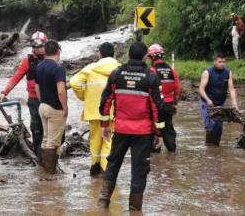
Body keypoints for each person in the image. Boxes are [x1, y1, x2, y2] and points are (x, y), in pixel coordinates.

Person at [97, 42, 171, 211]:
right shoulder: (151, 77)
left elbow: (105, 101)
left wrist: (105, 125)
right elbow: (157, 107)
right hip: (143, 133)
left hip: (121, 130)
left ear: (128, 55)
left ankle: (103, 201)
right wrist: (158, 133)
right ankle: (135, 208)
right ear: (145, 56)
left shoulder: (117, 74)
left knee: (113, 163)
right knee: (139, 169)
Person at [70, 42, 121, 176]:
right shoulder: (120, 68)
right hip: (114, 111)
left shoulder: (90, 68)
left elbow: (74, 82)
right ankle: (106, 169)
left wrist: (84, 97)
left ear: (100, 54)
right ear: (113, 54)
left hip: (93, 110)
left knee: (95, 141)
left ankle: (95, 167)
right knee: (109, 140)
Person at [0, 31, 48, 160]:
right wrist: (4, 92)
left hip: (50, 100)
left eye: (40, 46)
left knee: (51, 130)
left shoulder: (51, 59)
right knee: (36, 129)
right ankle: (38, 156)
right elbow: (16, 77)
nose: (38, 49)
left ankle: (52, 155)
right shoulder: (27, 61)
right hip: (34, 100)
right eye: (35, 47)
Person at [35, 40, 68, 174]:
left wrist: (42, 101)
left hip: (42, 106)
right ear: (58, 52)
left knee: (46, 139)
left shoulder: (39, 66)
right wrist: (65, 107)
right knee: (53, 142)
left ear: (45, 52)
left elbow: (36, 87)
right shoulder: (58, 68)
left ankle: (43, 169)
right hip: (55, 108)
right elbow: (61, 91)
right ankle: (50, 174)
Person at [147, 44, 181, 153]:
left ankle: (156, 154)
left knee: (156, 128)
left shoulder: (151, 71)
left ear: (152, 57)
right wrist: (174, 104)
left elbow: (149, 91)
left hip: (156, 106)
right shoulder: (172, 71)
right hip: (169, 106)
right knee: (168, 127)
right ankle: (172, 151)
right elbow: (177, 90)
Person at [199, 53, 238, 146]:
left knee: (218, 128)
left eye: (224, 62)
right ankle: (209, 147)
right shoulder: (207, 72)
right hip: (207, 102)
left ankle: (216, 147)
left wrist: (234, 102)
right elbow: (201, 89)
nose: (222, 64)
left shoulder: (228, 72)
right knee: (210, 126)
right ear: (214, 62)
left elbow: (231, 89)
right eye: (220, 62)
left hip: (220, 103)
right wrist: (208, 100)